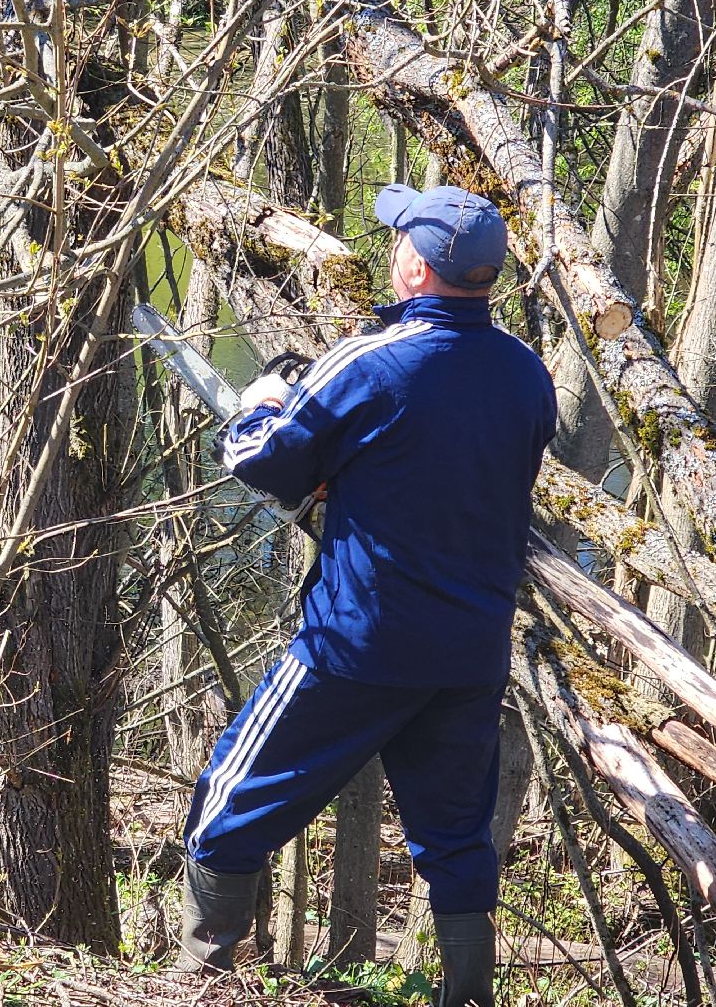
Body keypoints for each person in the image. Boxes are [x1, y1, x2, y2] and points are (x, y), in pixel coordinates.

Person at [174, 185, 557, 1007]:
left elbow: (266, 463)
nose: (391, 251)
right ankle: (467, 997)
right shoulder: (525, 373)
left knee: (226, 806)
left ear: (416, 265)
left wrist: (260, 404)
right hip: (469, 652)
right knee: (455, 840)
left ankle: (199, 978)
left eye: (397, 242)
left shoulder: (371, 360)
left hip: (356, 645)